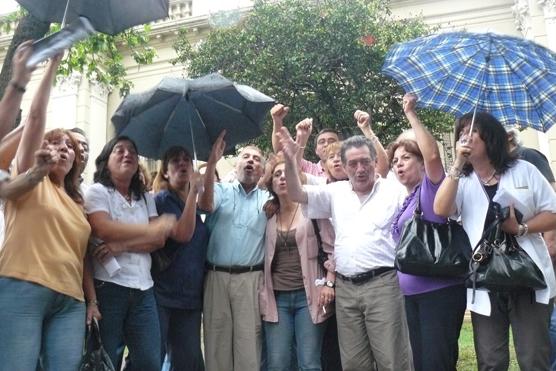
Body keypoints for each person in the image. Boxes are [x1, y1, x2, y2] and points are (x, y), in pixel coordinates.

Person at [277, 126, 413, 371]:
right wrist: (289, 157)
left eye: (364, 162)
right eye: (353, 164)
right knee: (353, 363)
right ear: (345, 165)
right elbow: (296, 193)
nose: (359, 169)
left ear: (374, 161)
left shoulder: (395, 191)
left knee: (392, 360)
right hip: (346, 289)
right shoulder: (335, 192)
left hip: (383, 285)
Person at [434, 111, 556, 370]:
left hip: (528, 277)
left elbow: (553, 213)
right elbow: (441, 209)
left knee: (534, 358)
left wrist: (520, 228)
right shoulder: (461, 180)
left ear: (491, 136)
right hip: (485, 279)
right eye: (462, 132)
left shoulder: (525, 170)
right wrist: (456, 164)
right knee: (490, 360)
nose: (466, 136)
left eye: (473, 131)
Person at [0, 55, 93, 371]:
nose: (64, 148)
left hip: (70, 301)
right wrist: (53, 62)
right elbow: (37, 116)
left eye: (69, 146)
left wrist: (90, 300)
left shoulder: (77, 204)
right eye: (55, 142)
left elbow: (82, 259)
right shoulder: (29, 174)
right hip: (24, 287)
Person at [84, 136, 176, 371]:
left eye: (133, 151)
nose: (128, 155)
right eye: (119, 150)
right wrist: (150, 229)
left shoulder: (145, 197)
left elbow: (158, 240)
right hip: (109, 287)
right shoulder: (97, 192)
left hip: (144, 289)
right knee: (106, 361)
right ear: (106, 162)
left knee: (149, 362)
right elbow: (104, 229)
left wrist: (122, 246)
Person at [389, 93, 466, 371]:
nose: (398, 163)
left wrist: (410, 114)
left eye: (406, 157)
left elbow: (433, 154)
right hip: (413, 296)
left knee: (437, 364)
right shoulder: (407, 198)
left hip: (439, 293)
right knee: (422, 364)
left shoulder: (433, 186)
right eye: (395, 159)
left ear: (421, 163)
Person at [151, 136, 223, 371]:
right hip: (162, 295)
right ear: (165, 172)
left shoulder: (194, 201)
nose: (182, 164)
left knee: (188, 362)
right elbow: (183, 234)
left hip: (190, 299)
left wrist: (211, 164)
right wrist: (193, 192)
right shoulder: (162, 200)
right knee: (150, 357)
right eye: (175, 161)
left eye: (186, 160)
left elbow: (208, 205)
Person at [260, 156, 336, 371]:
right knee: (277, 364)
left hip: (309, 296)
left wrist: (329, 283)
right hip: (277, 298)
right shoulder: (268, 215)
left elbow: (332, 247)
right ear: (271, 184)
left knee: (309, 363)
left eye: (288, 173)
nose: (283, 177)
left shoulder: (311, 209)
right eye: (277, 174)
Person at [198, 141, 269, 371]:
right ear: (236, 164)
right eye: (246, 157)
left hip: (250, 279)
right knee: (216, 345)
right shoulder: (220, 190)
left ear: (262, 170)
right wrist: (211, 164)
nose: (250, 161)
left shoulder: (268, 200)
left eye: (256, 159)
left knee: (248, 347)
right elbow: (206, 205)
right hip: (216, 276)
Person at [271, 104, 340, 177]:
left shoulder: (348, 167)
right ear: (316, 150)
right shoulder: (308, 169)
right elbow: (281, 154)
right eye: (322, 142)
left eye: (332, 141)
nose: (326, 144)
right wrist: (277, 120)